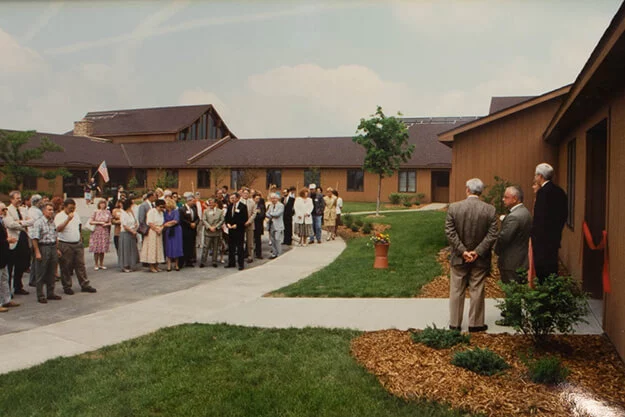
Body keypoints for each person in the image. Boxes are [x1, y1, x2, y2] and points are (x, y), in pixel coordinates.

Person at [445, 178, 497, 333]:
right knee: (477, 290)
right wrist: (477, 251)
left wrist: (463, 251)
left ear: (467, 189)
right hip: (480, 258)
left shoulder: (454, 208)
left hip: (459, 257)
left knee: (456, 290)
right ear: (480, 192)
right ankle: (475, 324)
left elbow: (450, 232)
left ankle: (455, 324)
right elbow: (492, 234)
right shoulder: (490, 210)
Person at [530, 163, 568, 282]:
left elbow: (539, 218)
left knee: (542, 272)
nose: (535, 178)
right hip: (554, 238)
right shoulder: (560, 191)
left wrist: (534, 236)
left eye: (536, 175)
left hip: (541, 241)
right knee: (552, 270)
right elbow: (563, 215)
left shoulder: (542, 193)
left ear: (540, 176)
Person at [55, 198, 97, 295]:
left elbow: (79, 227)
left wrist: (81, 239)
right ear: (64, 207)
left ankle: (85, 284)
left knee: (80, 265)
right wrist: (68, 219)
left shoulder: (76, 215)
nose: (72, 210)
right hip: (65, 243)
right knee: (66, 266)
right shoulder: (59, 216)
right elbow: (58, 229)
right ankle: (67, 286)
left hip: (77, 243)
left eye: (73, 208)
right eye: (70, 208)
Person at [495, 186, 532, 285]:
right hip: (522, 260)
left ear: (515, 199)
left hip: (510, 262)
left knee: (511, 293)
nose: (503, 199)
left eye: (506, 197)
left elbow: (504, 238)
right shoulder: (526, 212)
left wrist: (496, 250)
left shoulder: (514, 217)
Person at [31, 202, 62, 304]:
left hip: (52, 246)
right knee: (41, 272)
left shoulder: (52, 222)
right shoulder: (38, 222)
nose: (51, 212)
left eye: (52, 210)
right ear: (43, 211)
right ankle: (40, 295)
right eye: (49, 210)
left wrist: (57, 249)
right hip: (43, 247)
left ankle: (50, 292)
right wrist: (37, 252)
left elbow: (55, 236)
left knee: (52, 271)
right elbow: (34, 238)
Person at [4, 191, 31, 295]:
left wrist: (20, 222)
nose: (19, 200)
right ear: (11, 199)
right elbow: (10, 224)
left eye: (20, 198)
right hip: (13, 240)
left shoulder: (24, 209)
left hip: (23, 238)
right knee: (10, 266)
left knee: (21, 264)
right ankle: (8, 291)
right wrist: (23, 224)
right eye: (17, 198)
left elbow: (32, 221)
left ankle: (18, 286)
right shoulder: (7, 210)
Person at [0, 203, 19, 311]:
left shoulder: (2, 221)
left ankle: (6, 299)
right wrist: (6, 240)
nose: (4, 211)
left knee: (4, 278)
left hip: (3, 255)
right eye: (3, 209)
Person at [141, 199, 166, 273]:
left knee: (158, 248)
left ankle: (156, 265)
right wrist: (156, 229)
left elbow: (163, 222)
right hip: (152, 231)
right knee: (152, 248)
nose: (162, 208)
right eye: (161, 207)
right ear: (157, 206)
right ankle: (151, 266)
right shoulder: (151, 212)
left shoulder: (161, 213)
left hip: (159, 230)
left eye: (163, 207)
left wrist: (161, 228)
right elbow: (150, 222)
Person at [224, 193, 248, 270]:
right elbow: (227, 217)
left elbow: (244, 218)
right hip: (231, 230)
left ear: (238, 198)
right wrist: (227, 223)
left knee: (240, 247)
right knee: (231, 247)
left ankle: (241, 264)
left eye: (234, 198)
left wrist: (237, 225)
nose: (232, 199)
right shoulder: (230, 206)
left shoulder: (243, 206)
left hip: (239, 230)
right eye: (231, 198)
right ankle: (231, 262)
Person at [88, 199, 112, 270]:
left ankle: (101, 263)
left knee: (102, 248)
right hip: (97, 231)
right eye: (101, 204)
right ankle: (96, 264)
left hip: (104, 231)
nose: (102, 205)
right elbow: (91, 221)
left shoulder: (108, 212)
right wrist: (99, 223)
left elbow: (110, 222)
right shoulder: (95, 211)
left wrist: (107, 224)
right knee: (97, 248)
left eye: (104, 204)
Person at [200, 198, 224, 268]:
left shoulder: (220, 211)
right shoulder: (205, 211)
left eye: (212, 202)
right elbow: (204, 220)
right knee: (206, 247)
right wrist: (209, 227)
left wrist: (216, 227)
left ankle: (214, 261)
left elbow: (222, 220)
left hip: (216, 231)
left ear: (215, 203)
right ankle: (203, 261)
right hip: (208, 231)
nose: (210, 204)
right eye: (209, 202)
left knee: (215, 247)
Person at [118, 199, 139, 272]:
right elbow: (124, 225)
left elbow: (135, 221)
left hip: (132, 232)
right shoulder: (123, 213)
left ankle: (131, 264)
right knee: (126, 249)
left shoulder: (131, 213)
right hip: (126, 233)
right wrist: (131, 231)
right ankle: (125, 266)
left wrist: (135, 227)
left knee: (132, 249)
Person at [179, 194, 199, 267]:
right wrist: (190, 224)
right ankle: (182, 261)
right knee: (184, 246)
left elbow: (197, 218)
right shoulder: (182, 209)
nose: (194, 203)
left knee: (191, 246)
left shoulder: (194, 208)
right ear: (188, 201)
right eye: (193, 201)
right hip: (185, 230)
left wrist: (195, 223)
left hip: (193, 230)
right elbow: (182, 219)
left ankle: (189, 261)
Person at [163, 199, 183, 271]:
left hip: (176, 230)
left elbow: (176, 221)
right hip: (168, 231)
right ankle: (169, 265)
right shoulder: (165, 212)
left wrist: (167, 224)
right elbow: (164, 221)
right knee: (169, 247)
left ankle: (176, 265)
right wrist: (167, 224)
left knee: (176, 246)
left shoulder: (176, 211)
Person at [266, 193, 285, 259]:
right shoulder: (270, 205)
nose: (273, 200)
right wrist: (272, 215)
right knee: (272, 240)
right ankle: (274, 253)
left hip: (278, 225)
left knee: (277, 239)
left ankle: (279, 254)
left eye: (274, 198)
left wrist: (271, 215)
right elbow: (267, 213)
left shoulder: (281, 205)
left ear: (277, 199)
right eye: (272, 198)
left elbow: (278, 214)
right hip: (271, 224)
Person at [240, 189, 256, 263]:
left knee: (250, 241)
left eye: (247, 193)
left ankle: (250, 256)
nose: (245, 195)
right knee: (241, 240)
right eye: (244, 193)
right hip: (241, 224)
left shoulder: (252, 202)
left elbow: (254, 213)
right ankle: (241, 255)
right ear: (242, 194)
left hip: (249, 224)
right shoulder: (239, 201)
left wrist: (249, 221)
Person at [253, 193, 266, 259]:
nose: (257, 200)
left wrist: (255, 215)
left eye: (258, 198)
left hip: (258, 225)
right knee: (249, 240)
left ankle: (258, 254)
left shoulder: (261, 206)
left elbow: (262, 215)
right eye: (256, 198)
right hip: (251, 224)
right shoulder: (251, 205)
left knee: (258, 240)